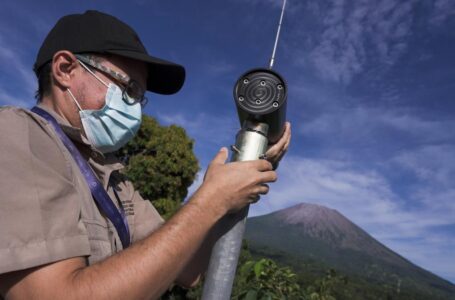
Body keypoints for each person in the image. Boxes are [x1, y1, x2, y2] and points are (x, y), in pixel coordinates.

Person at [0, 10, 291, 299]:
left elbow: (188, 269)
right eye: (128, 89)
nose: (135, 109)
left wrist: (234, 187)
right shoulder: (17, 134)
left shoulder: (114, 180)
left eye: (140, 97)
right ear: (65, 69)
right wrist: (210, 201)